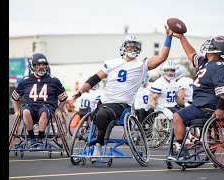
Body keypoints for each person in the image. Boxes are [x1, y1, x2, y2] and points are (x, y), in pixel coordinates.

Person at [72, 27, 174, 158]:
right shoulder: (112, 63)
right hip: (104, 101)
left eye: (135, 47)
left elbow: (162, 57)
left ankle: (98, 145)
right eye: (130, 47)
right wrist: (80, 92)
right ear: (123, 48)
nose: (133, 50)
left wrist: (169, 37)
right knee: (96, 114)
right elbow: (94, 79)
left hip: (121, 104)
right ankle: (95, 140)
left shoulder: (141, 64)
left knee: (103, 115)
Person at [170, 33, 224, 158]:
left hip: (207, 106)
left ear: (217, 50)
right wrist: (182, 37)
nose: (208, 46)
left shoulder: (220, 67)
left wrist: (220, 108)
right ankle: (182, 145)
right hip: (200, 104)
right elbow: (191, 54)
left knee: (177, 117)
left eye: (211, 44)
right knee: (179, 114)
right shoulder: (206, 62)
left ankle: (180, 148)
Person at [11, 53, 68, 149]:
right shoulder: (26, 80)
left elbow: (63, 97)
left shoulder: (53, 80)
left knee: (44, 111)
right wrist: (16, 111)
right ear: (33, 66)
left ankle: (40, 139)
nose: (41, 67)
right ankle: (33, 139)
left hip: (46, 107)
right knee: (25, 111)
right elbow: (14, 97)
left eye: (43, 65)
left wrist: (59, 109)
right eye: (38, 65)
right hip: (30, 106)